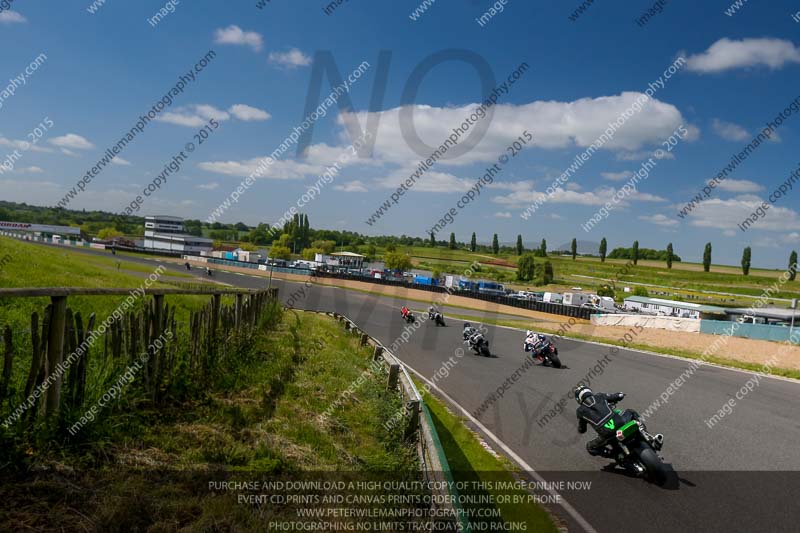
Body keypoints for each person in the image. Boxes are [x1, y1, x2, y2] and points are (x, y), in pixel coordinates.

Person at [574, 386, 661, 459]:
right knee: (630, 412)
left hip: (606, 434)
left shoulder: (580, 411)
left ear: (579, 399)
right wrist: (621, 394)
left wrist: (580, 428)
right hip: (619, 422)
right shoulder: (599, 396)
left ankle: (615, 455)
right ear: (590, 391)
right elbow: (616, 396)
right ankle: (647, 436)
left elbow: (582, 430)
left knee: (590, 447)